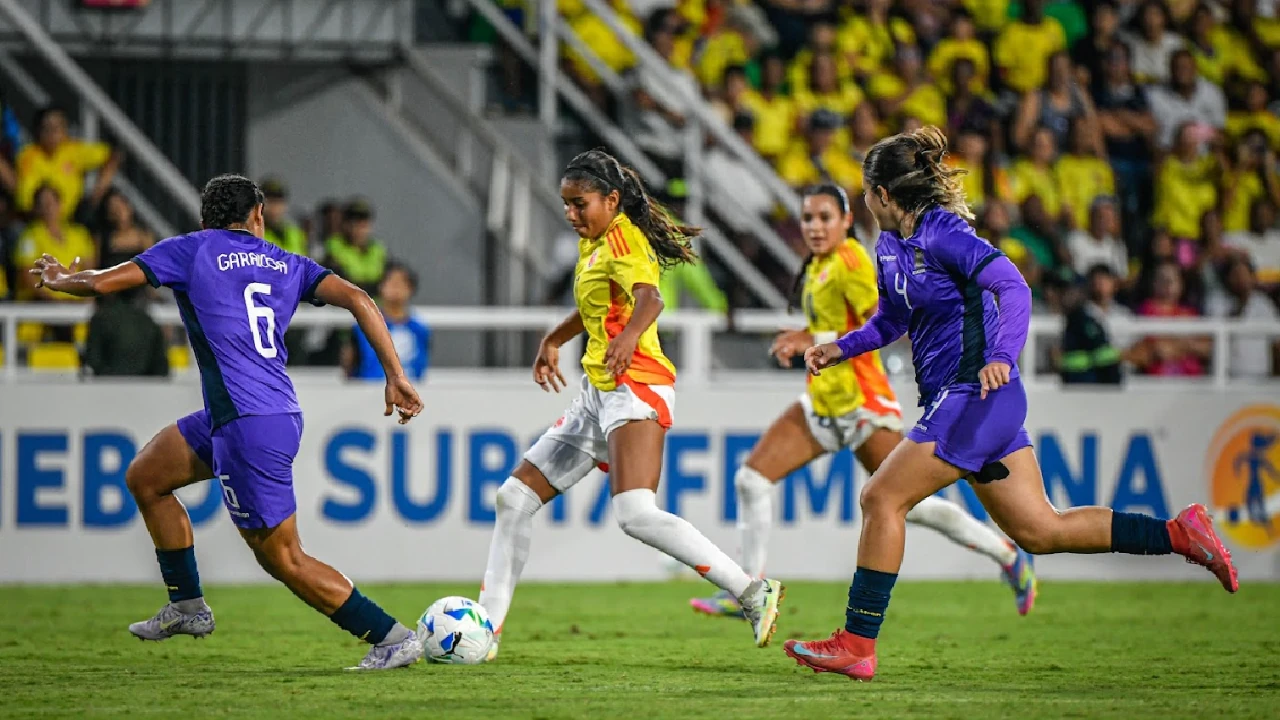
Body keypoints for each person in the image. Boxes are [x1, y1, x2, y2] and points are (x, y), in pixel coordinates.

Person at [786, 127, 1239, 682]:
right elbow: (894, 320)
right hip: (962, 400)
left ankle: (857, 643)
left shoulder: (945, 234)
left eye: (864, 191)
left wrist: (1002, 353)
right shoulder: (890, 247)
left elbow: (1014, 286)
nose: (863, 201)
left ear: (881, 193)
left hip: (976, 395)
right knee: (1040, 532)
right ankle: (1180, 533)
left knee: (881, 497)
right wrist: (841, 347)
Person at [28, 174, 426, 671]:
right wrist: (396, 376)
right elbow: (361, 300)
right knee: (147, 477)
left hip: (247, 422)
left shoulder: (191, 249)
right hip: (256, 412)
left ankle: (391, 637)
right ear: (257, 216)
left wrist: (63, 279)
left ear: (205, 218)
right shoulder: (287, 262)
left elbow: (104, 283)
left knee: (283, 558)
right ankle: (188, 606)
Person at [477, 150, 783, 661]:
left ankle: (751, 591)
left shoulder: (622, 238)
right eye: (567, 205)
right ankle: (484, 629)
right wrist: (556, 337)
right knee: (513, 499)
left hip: (636, 383)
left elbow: (650, 298)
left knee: (635, 513)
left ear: (612, 200)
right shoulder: (595, 242)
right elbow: (597, 304)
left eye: (581, 204)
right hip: (597, 394)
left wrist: (629, 339)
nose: (572, 215)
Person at [688, 184, 1037, 621]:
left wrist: (809, 339)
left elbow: (887, 322)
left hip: (862, 405)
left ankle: (1007, 554)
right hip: (823, 403)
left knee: (914, 505)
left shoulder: (853, 261)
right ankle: (752, 591)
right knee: (751, 480)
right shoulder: (821, 265)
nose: (814, 227)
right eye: (807, 218)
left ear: (846, 220)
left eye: (824, 218)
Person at [343, 261, 430, 382]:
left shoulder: (419, 329)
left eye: (402, 283)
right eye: (391, 282)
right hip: (368, 391)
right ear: (381, 286)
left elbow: (421, 365)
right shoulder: (364, 326)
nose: (396, 287)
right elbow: (349, 364)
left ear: (411, 289)